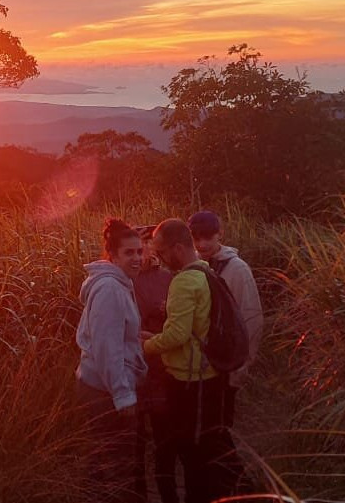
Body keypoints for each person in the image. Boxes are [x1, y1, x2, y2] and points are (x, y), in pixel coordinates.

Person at [143, 219, 241, 503]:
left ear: (177, 248)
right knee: (206, 447)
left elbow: (177, 334)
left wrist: (146, 346)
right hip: (210, 373)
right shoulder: (205, 271)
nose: (158, 259)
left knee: (192, 451)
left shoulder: (184, 280)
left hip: (189, 382)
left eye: (161, 252)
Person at [75, 218, 148, 503]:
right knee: (118, 466)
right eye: (129, 253)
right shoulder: (110, 289)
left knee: (102, 460)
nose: (137, 258)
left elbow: (117, 336)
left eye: (140, 252)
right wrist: (123, 394)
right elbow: (108, 348)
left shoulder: (119, 283)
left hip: (99, 385)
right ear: (113, 256)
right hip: (105, 390)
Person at [188, 210, 264, 429]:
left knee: (221, 426)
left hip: (226, 363)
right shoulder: (190, 267)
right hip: (198, 365)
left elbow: (252, 318)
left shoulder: (237, 269)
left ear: (220, 233)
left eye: (207, 237)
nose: (202, 244)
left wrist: (242, 364)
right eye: (196, 238)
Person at [132, 224, 177, 503]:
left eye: (146, 246)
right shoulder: (123, 280)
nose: (143, 254)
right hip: (134, 373)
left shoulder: (169, 278)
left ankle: (169, 495)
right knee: (135, 448)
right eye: (136, 249)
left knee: (165, 446)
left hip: (162, 371)